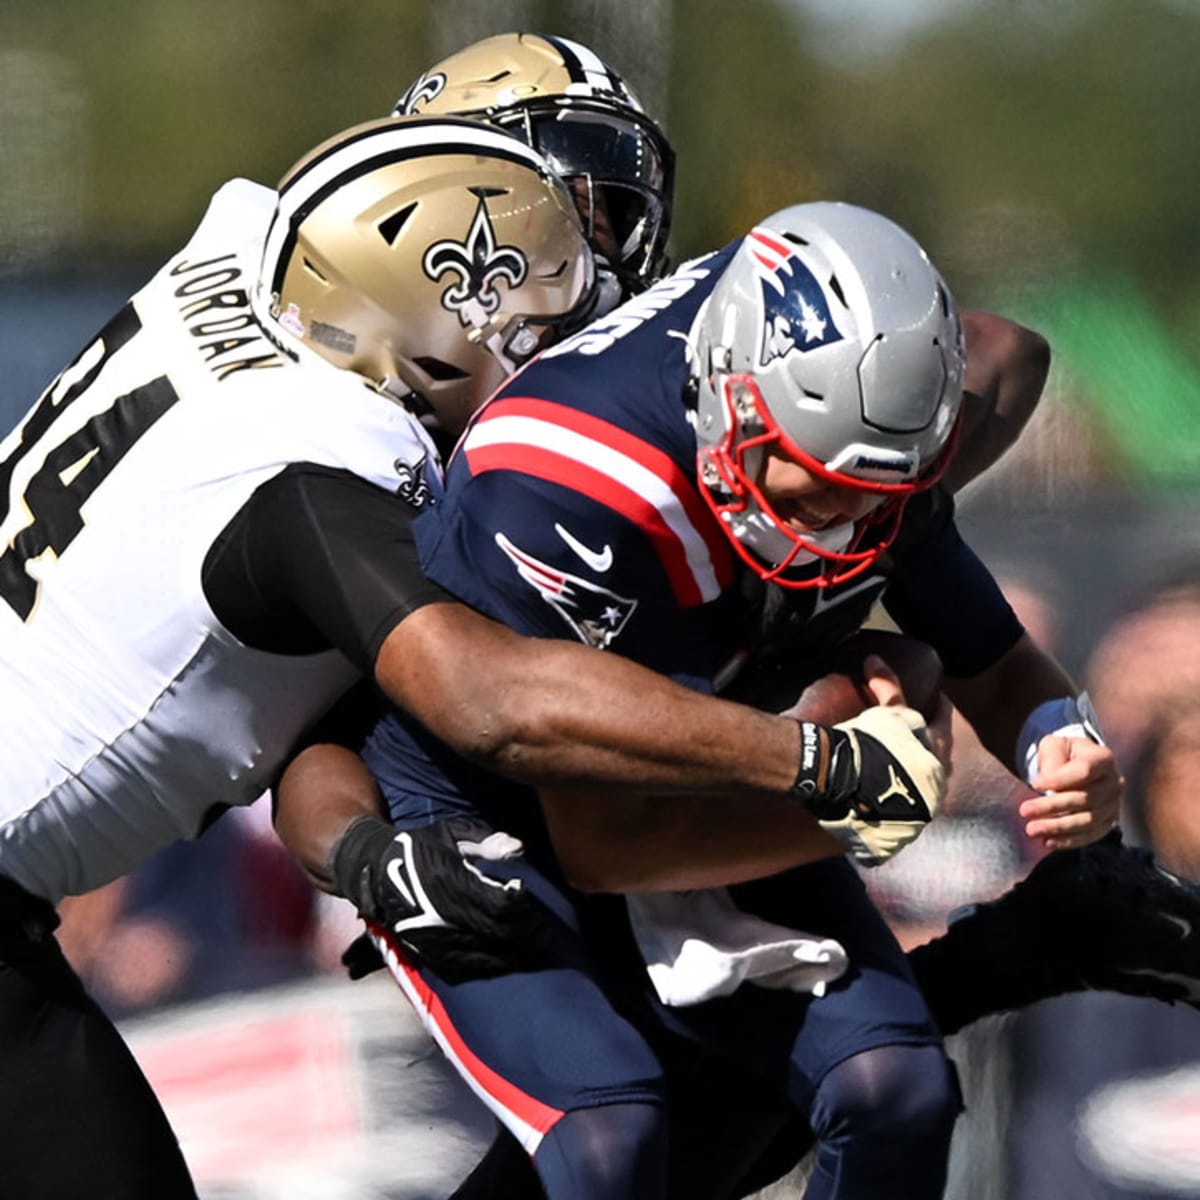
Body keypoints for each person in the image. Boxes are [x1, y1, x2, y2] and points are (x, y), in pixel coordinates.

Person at [0, 114, 926, 1199]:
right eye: (538, 324)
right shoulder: (322, 472)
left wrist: (361, 862)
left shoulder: (239, 273)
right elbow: (493, 701)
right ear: (433, 327)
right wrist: (809, 764)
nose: (566, 349)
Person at [276, 202, 1127, 1200]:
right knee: (608, 1137)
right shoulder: (570, 483)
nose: (839, 529)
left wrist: (1060, 741)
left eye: (875, 500)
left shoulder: (855, 434)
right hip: (491, 800)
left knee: (893, 1086)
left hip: (722, 749)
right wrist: (848, 801)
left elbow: (989, 644)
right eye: (808, 489)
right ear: (728, 401)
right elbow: (609, 844)